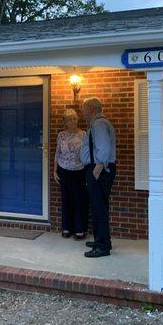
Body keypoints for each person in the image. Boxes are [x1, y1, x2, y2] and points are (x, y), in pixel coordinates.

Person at [80, 97, 117, 258]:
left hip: (99, 170)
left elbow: (104, 147)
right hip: (98, 169)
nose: (82, 112)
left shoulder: (99, 124)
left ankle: (102, 247)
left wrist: (97, 169)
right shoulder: (98, 124)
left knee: (98, 207)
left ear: (92, 109)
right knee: (99, 207)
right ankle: (102, 240)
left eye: (84, 109)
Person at [54, 109, 88, 240]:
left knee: (80, 200)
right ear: (65, 122)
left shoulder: (83, 134)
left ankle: (80, 229)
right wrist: (54, 170)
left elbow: (87, 153)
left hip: (79, 170)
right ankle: (67, 227)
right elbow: (57, 153)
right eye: (69, 119)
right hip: (64, 170)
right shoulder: (61, 135)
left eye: (74, 118)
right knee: (66, 199)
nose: (72, 121)